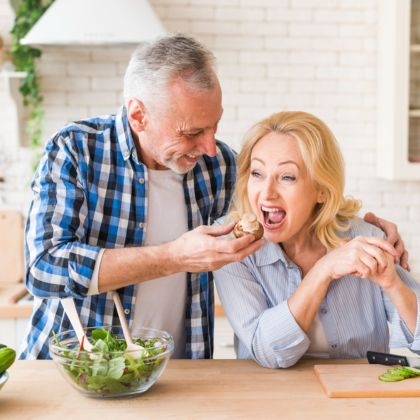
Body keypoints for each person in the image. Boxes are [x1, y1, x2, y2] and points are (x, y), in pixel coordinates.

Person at [19, 34, 406, 360]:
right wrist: (173, 257)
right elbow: (42, 269)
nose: (208, 146)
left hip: (179, 372)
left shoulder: (217, 165)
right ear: (139, 116)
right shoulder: (76, 151)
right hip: (78, 368)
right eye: (191, 132)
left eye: (214, 126)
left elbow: (289, 202)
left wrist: (368, 235)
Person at [214, 111, 420, 368]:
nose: (267, 193)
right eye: (257, 173)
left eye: (287, 177)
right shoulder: (232, 245)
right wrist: (323, 271)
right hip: (267, 400)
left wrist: (393, 285)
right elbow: (267, 351)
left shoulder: (365, 237)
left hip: (357, 398)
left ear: (321, 190)